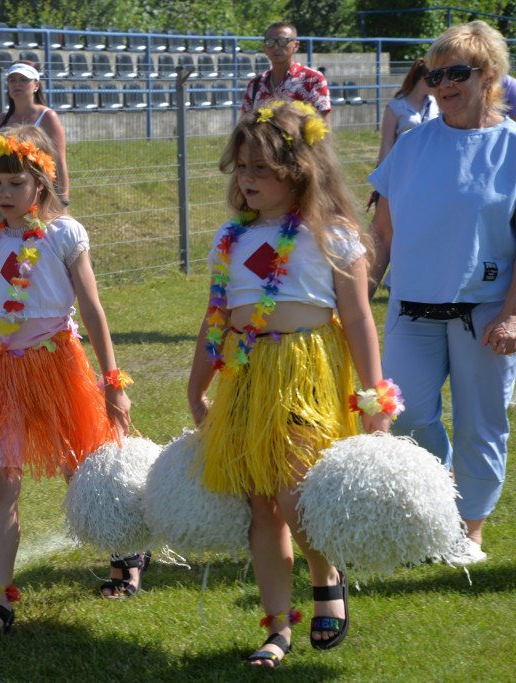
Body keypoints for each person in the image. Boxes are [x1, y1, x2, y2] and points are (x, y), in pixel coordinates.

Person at [187, 101, 393, 667]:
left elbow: (356, 320)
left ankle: (327, 576)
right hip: (248, 373)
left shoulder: (334, 236)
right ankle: (277, 625)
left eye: (261, 169)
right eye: (242, 169)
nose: (247, 180)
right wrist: (195, 385)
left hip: (306, 371)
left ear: (298, 170)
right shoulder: (231, 239)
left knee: (293, 489)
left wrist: (374, 396)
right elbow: (215, 317)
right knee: (260, 503)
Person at [0, 126, 132, 643]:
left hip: (59, 365)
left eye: (14, 183)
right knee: (2, 480)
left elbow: (92, 309)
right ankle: (0, 600)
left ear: (40, 183)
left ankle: (125, 556)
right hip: (6, 374)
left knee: (80, 467)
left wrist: (112, 380)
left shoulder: (64, 234)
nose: (4, 194)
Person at [368, 21, 516, 566]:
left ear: (489, 75)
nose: (444, 84)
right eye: (435, 74)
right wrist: (359, 294)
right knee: (404, 415)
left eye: (458, 72)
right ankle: (438, 502)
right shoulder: (410, 146)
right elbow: (382, 236)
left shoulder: (514, 147)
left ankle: (469, 531)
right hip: (412, 308)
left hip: (486, 312)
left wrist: (512, 316)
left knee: (482, 422)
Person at [367, 58, 440, 210]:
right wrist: (383, 178)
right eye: (433, 79)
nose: (437, 84)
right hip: (403, 169)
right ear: (422, 79)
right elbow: (387, 142)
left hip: (429, 168)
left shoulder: (435, 104)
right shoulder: (396, 106)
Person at [0, 61, 71, 208]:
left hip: (40, 197)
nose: (17, 84)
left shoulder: (48, 116)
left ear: (36, 86)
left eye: (23, 80)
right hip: (8, 197)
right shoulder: (2, 119)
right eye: (12, 80)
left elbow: (60, 162)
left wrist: (63, 202)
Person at [241, 22, 331, 121]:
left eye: (282, 41)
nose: (275, 47)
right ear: (265, 49)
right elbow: (245, 126)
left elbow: (324, 128)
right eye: (270, 42)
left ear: (296, 45)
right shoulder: (255, 84)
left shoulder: (312, 79)